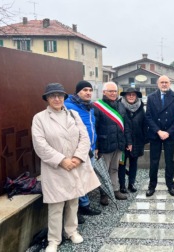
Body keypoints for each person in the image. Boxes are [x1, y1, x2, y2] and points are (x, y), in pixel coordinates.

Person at [31, 83, 100, 252]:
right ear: (47, 98)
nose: (57, 99)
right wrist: (62, 160)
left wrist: (77, 157)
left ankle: (72, 231)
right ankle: (53, 240)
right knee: (55, 205)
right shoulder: (39, 118)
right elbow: (40, 145)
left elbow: (84, 137)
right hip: (54, 167)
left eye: (60, 95)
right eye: (52, 96)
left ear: (64, 98)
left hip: (74, 165)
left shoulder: (73, 114)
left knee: (73, 201)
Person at [64, 81, 101, 223]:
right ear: (78, 91)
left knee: (84, 179)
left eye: (90, 90)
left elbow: (92, 128)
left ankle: (84, 205)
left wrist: (95, 145)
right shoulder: (68, 106)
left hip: (90, 149)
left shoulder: (89, 107)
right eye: (85, 90)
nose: (88, 92)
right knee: (75, 180)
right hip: (77, 151)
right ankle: (75, 211)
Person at [145, 75, 174, 197]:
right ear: (158, 84)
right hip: (156, 134)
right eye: (162, 82)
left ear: (170, 83)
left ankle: (170, 185)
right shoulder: (151, 98)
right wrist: (158, 131)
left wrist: (168, 132)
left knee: (169, 161)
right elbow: (148, 117)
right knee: (154, 161)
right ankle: (152, 186)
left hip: (169, 135)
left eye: (166, 82)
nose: (164, 84)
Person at [94, 82, 131, 205]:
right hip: (105, 145)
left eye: (115, 91)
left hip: (118, 144)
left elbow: (126, 126)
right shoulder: (98, 107)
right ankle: (104, 193)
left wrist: (128, 141)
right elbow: (95, 128)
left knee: (114, 169)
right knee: (103, 170)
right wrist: (97, 146)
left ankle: (115, 190)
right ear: (104, 92)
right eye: (110, 91)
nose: (113, 93)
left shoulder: (121, 106)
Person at [118, 87, 148, 193]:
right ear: (125, 96)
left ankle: (131, 183)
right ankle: (122, 185)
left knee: (133, 163)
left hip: (137, 141)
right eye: (129, 94)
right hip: (123, 141)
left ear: (136, 96)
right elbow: (123, 125)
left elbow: (144, 124)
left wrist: (145, 139)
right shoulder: (119, 106)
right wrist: (127, 141)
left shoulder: (141, 108)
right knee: (121, 164)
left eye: (133, 95)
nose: (131, 96)